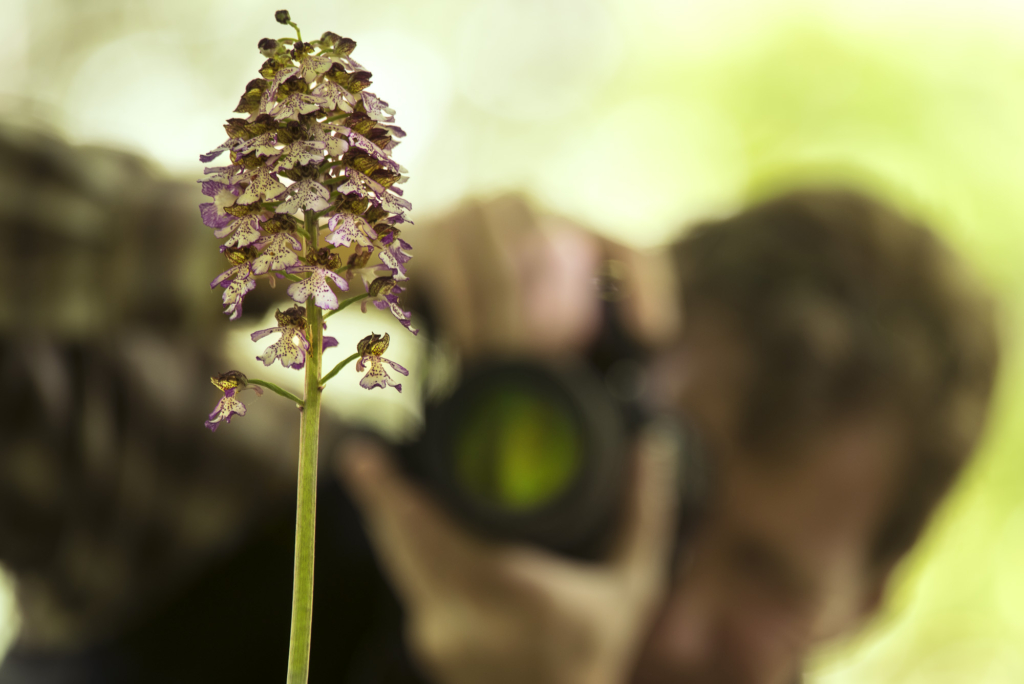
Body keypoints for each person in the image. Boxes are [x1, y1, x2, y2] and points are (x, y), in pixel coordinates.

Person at [338, 190, 999, 684]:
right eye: (677, 500)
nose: (673, 623)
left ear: (865, 604)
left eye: (768, 579)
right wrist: (334, 253)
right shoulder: (357, 522)